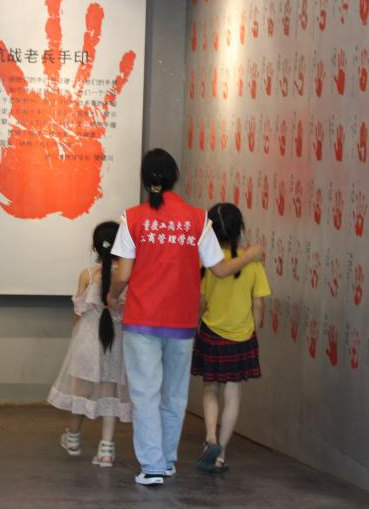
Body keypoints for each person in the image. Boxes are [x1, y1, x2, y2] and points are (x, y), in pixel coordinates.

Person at [106, 149, 263, 485]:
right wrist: (250, 254)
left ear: (145, 179)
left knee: (145, 393)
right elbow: (220, 269)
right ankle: (167, 461)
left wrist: (111, 295)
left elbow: (123, 274)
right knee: (174, 394)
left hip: (142, 319)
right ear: (175, 177)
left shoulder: (132, 218)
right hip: (182, 323)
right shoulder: (197, 219)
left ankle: (152, 465)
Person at [192, 203, 270, 473]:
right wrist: (254, 329)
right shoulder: (253, 263)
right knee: (233, 393)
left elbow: (201, 302)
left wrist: (197, 323)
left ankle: (210, 438)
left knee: (210, 388)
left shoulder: (207, 262)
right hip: (241, 335)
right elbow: (258, 303)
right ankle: (221, 453)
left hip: (211, 332)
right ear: (240, 229)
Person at [48, 221, 131, 468]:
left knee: (80, 391)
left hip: (87, 340)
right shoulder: (129, 276)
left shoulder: (87, 274)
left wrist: (75, 339)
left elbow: (78, 313)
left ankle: (73, 439)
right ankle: (106, 450)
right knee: (110, 393)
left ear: (95, 246)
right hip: (117, 341)